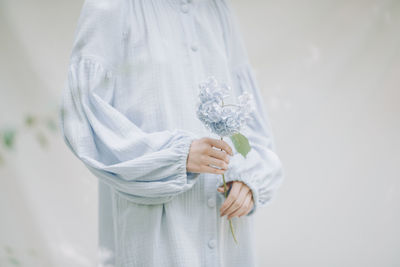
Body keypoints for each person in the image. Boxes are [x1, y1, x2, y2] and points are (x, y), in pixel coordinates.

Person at [59, 0, 284, 266]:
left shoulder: (217, 10)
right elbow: (85, 112)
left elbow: (249, 115)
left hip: (226, 227)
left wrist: (248, 177)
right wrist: (174, 155)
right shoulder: (112, 6)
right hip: (156, 227)